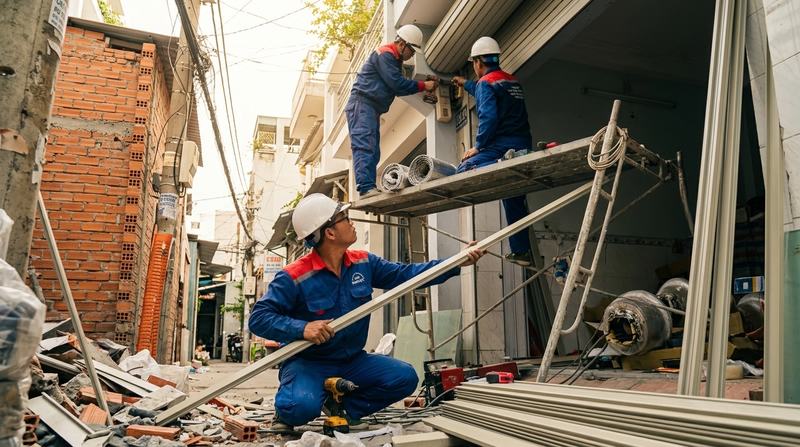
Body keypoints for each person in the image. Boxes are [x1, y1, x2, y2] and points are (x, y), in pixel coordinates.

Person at [248, 193, 485, 431]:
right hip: (309, 362)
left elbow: (407, 275)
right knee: (298, 409)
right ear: (329, 232)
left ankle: (345, 407)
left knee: (404, 377)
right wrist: (303, 328)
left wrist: (454, 263)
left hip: (352, 360)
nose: (351, 223)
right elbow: (259, 319)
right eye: (344, 218)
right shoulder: (294, 276)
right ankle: (289, 408)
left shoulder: (364, 263)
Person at [453, 37, 533, 266]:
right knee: (513, 197)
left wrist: (477, 147)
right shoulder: (510, 80)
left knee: (465, 169)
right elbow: (482, 89)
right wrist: (464, 83)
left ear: (477, 63)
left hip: (502, 146)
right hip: (523, 144)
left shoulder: (485, 84)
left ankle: (502, 162)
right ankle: (521, 252)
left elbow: (488, 118)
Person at [347, 24, 439, 199]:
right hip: (362, 105)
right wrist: (424, 86)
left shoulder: (394, 61)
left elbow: (397, 88)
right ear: (402, 44)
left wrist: (421, 86)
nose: (412, 54)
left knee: (373, 150)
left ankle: (368, 187)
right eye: (412, 50)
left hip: (369, 108)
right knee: (364, 145)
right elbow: (397, 83)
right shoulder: (386, 54)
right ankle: (366, 188)